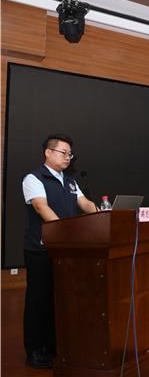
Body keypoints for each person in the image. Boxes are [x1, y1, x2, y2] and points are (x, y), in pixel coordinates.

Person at [21, 134, 97, 369]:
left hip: (66, 250)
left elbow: (84, 203)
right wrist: (65, 231)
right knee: (39, 301)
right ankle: (35, 351)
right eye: (64, 153)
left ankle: (55, 346)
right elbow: (41, 207)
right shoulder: (34, 178)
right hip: (41, 250)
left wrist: (104, 214)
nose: (68, 157)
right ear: (48, 152)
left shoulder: (70, 181)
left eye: (70, 154)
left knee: (61, 299)